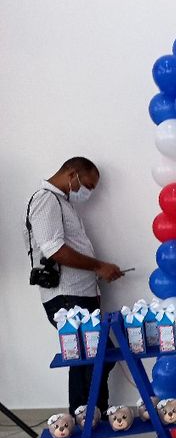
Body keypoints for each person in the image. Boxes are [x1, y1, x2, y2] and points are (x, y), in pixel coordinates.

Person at [26, 157, 123, 415]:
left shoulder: (61, 202)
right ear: (72, 174)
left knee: (91, 358)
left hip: (78, 294)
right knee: (90, 358)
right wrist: (97, 266)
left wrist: (97, 272)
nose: (88, 193)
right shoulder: (46, 200)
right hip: (66, 297)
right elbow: (55, 250)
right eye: (88, 185)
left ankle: (91, 415)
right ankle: (86, 416)